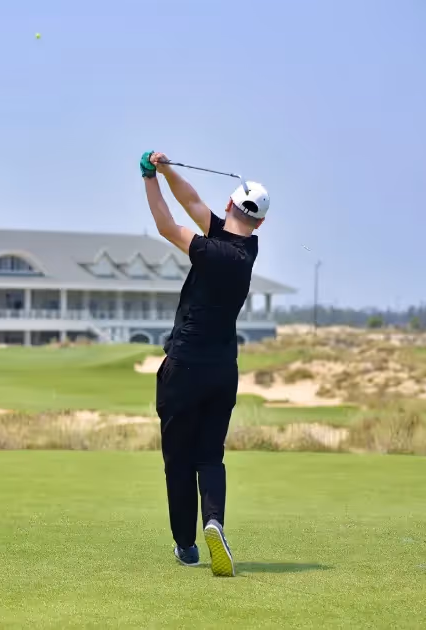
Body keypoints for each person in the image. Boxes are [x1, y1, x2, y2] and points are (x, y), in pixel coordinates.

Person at [139, 150, 270, 577]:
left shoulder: (213, 251)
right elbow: (193, 203)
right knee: (210, 456)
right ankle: (214, 521)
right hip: (222, 372)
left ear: (230, 205)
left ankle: (187, 545)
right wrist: (167, 169)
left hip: (185, 368)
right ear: (260, 221)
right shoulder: (245, 247)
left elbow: (165, 224)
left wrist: (148, 178)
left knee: (178, 459)